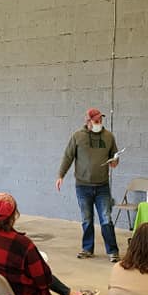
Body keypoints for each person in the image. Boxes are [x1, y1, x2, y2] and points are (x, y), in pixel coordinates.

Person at [56, 107, 121, 262]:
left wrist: (115, 162)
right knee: (87, 219)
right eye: (96, 120)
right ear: (88, 121)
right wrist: (60, 175)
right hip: (83, 186)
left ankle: (113, 251)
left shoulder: (108, 136)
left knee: (106, 218)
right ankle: (87, 248)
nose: (99, 123)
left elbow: (115, 156)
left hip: (102, 186)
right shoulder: (78, 137)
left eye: (101, 120)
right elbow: (68, 156)